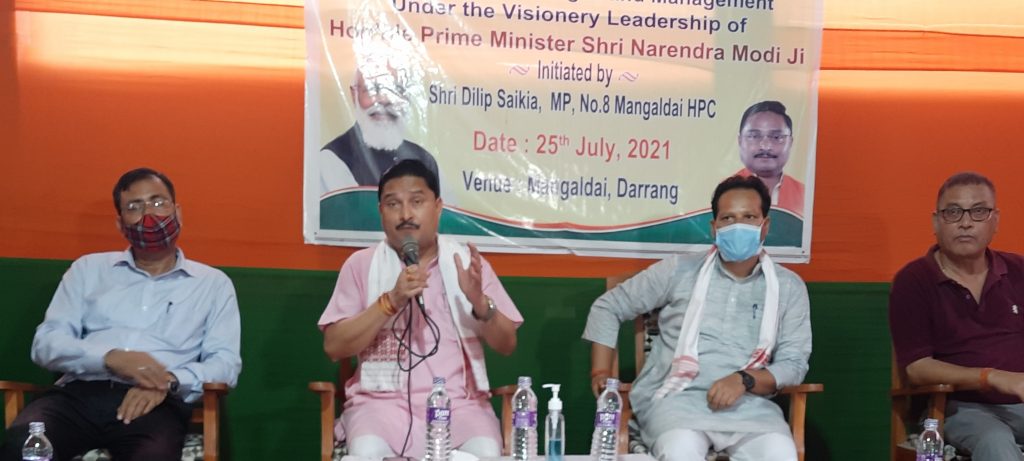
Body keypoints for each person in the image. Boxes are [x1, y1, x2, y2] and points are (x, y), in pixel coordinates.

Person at [0, 168, 242, 461]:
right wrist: (109, 358)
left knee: (152, 455)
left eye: (158, 202)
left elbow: (225, 364)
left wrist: (169, 380)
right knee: (22, 447)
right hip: (78, 396)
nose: (149, 215)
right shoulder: (88, 270)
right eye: (134, 207)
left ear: (177, 212)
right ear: (120, 222)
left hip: (155, 403)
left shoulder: (212, 284)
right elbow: (46, 344)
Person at [583, 175, 812, 461]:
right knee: (680, 450)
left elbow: (794, 362)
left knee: (781, 453)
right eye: (728, 218)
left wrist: (745, 380)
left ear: (765, 225)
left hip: (751, 409)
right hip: (677, 404)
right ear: (714, 228)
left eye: (749, 217)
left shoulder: (788, 286)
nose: (738, 225)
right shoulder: (679, 270)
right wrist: (600, 373)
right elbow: (608, 306)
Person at [318, 159, 522, 458]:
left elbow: (507, 344)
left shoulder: (466, 265)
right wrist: (390, 301)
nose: (406, 215)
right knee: (365, 450)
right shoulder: (361, 265)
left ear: (438, 207)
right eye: (393, 204)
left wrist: (480, 304)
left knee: (486, 451)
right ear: (381, 211)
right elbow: (334, 346)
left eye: (416, 201)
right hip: (380, 406)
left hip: (458, 406)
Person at [889, 172, 1024, 460]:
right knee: (995, 442)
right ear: (935, 222)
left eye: (978, 211)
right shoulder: (914, 280)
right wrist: (991, 377)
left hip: (1020, 402)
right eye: (953, 212)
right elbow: (917, 368)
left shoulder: (1019, 272)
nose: (965, 222)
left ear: (995, 220)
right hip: (956, 407)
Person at [319, 60, 439, 194]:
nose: (384, 99)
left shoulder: (424, 160)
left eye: (396, 90)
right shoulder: (332, 160)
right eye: (372, 90)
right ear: (354, 94)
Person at [735, 100, 805, 217]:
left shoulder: (805, 195)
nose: (765, 146)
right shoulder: (726, 191)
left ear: (790, 142)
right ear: (740, 141)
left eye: (776, 137)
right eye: (754, 136)